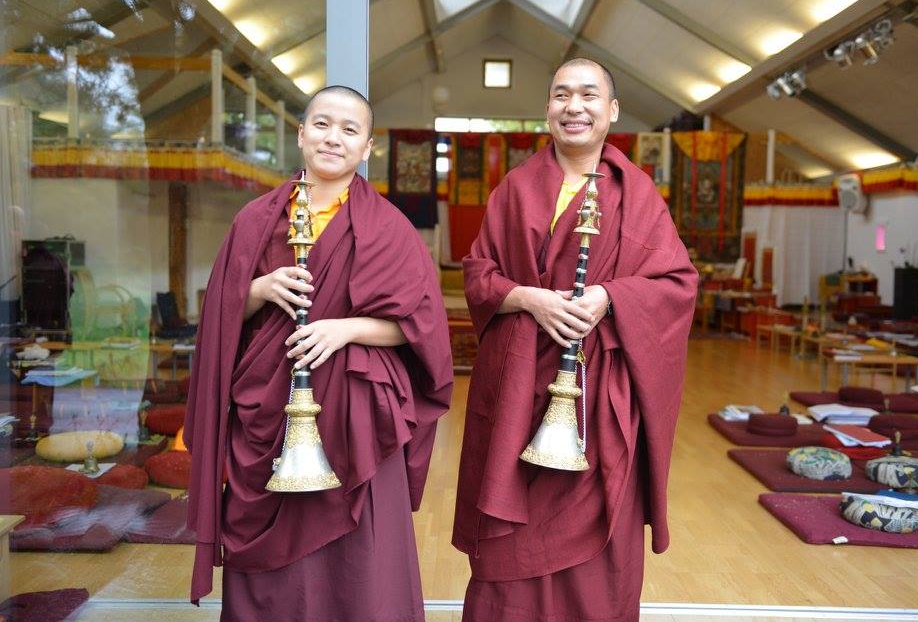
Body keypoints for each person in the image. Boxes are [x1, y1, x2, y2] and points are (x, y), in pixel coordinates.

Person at [183, 85, 452, 622]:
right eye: (323, 125)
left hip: (356, 412)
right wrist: (257, 290)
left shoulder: (390, 228)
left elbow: (420, 328)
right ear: (302, 133)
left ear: (368, 147)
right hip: (270, 410)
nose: (334, 138)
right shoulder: (256, 220)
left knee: (360, 558)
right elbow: (217, 315)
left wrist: (347, 329)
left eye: (350, 130)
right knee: (273, 571)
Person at [453, 59, 698, 622]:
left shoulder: (636, 194)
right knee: (508, 543)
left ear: (612, 112)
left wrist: (611, 298)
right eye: (561, 95)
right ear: (547, 110)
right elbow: (479, 272)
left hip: (598, 396)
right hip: (521, 387)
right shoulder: (515, 189)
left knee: (595, 549)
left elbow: (676, 284)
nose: (574, 106)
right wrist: (527, 298)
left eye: (589, 95)